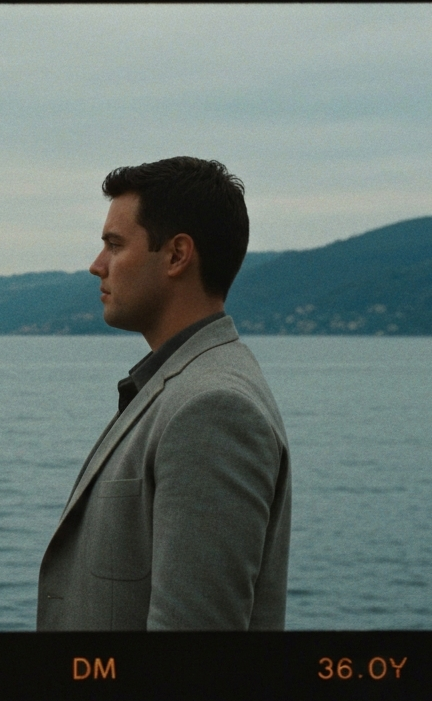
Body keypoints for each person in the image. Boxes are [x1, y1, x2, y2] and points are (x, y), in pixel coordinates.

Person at [37, 157, 291, 631]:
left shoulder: (213, 408)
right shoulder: (186, 383)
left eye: (114, 245)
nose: (97, 266)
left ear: (176, 255)